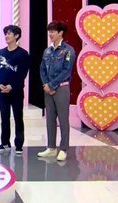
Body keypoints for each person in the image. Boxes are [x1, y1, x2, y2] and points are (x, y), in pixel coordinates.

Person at [38, 21, 76, 162]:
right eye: (49, 31)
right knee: (50, 119)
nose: (50, 34)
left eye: (53, 31)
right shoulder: (47, 51)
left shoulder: (68, 50)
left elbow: (67, 71)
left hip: (62, 88)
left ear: (60, 33)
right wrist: (46, 85)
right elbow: (42, 69)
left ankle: (63, 149)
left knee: (63, 119)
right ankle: (51, 147)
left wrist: (52, 85)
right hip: (48, 89)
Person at [0, 24, 30, 155]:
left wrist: (11, 86)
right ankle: (5, 143)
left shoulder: (23, 54)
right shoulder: (0, 53)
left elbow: (23, 73)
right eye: (6, 33)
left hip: (16, 90)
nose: (6, 36)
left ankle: (19, 144)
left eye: (9, 33)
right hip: (2, 90)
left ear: (16, 36)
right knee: (4, 117)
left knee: (18, 117)